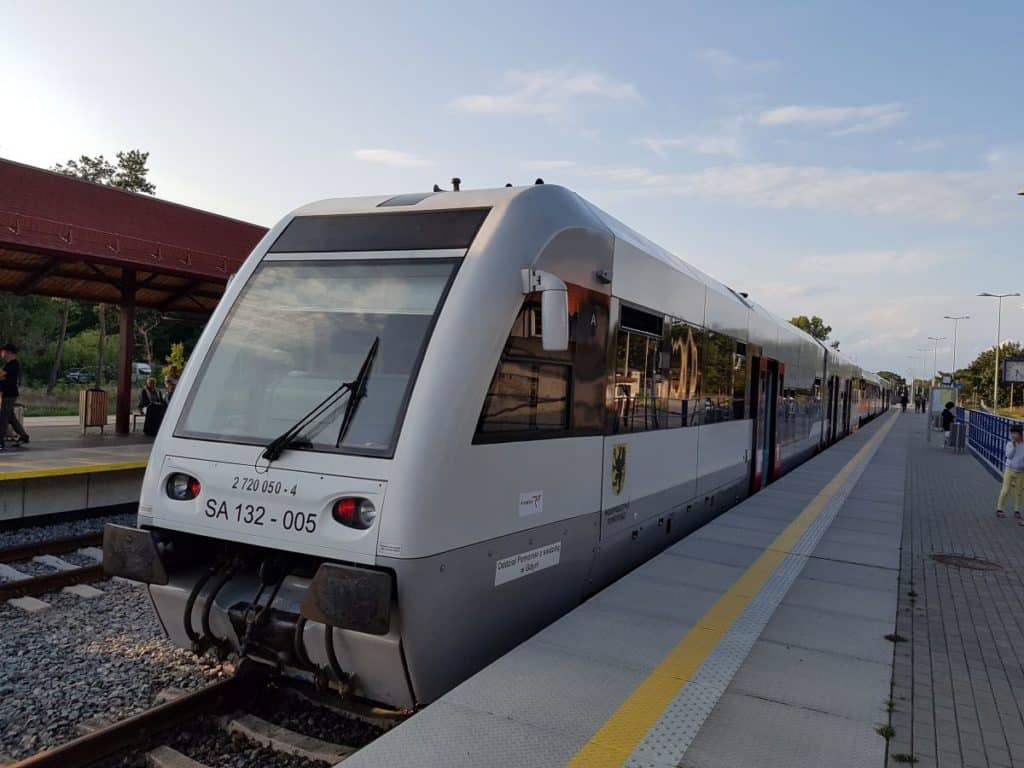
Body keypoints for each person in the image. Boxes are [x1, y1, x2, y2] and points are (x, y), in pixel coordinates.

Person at [0, 342, 29, 450]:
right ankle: (23, 436)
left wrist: (2, 376)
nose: (2, 353)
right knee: (10, 417)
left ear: (9, 353)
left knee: (3, 417)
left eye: (4, 351)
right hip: (6, 393)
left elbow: (1, 375)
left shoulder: (13, 364)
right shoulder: (8, 364)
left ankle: (0, 442)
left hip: (9, 394)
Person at [996, 423, 1024, 521]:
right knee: (1005, 490)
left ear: (1020, 434)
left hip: (1021, 471)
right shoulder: (1009, 444)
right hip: (1009, 470)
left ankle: (1017, 510)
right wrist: (1014, 446)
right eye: (1012, 433)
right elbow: (1009, 456)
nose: (1013, 435)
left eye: (1015, 433)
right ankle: (999, 509)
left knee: (1019, 492)